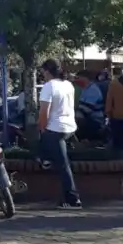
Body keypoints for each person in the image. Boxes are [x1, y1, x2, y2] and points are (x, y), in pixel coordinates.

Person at [38, 59, 81, 209]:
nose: (42, 75)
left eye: (43, 72)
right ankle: (46, 158)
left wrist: (42, 129)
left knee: (63, 166)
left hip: (56, 129)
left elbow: (44, 112)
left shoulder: (48, 86)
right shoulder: (68, 84)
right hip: (70, 127)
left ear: (47, 71)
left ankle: (73, 200)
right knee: (49, 148)